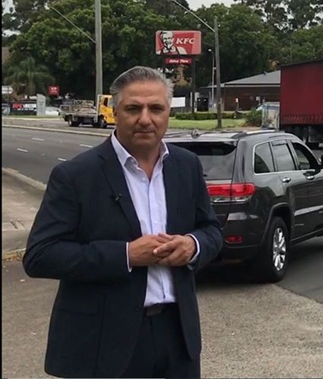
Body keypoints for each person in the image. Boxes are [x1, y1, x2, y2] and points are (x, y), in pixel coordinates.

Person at [23, 66, 223, 378]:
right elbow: (40, 256)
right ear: (115, 112)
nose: (146, 118)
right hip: (104, 341)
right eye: (133, 108)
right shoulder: (76, 175)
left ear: (168, 112)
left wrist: (193, 246)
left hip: (177, 336)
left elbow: (211, 230)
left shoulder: (186, 166)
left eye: (156, 108)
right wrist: (126, 255)